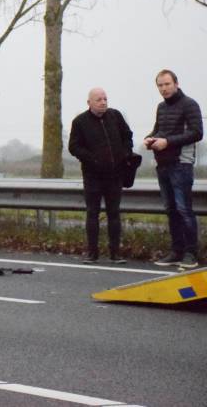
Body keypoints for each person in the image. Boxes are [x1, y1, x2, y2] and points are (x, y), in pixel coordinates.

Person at [144, 70, 203, 269]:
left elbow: (197, 133)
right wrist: (150, 138)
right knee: (170, 210)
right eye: (160, 85)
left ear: (176, 83)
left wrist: (167, 142)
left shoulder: (190, 104)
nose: (164, 88)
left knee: (184, 209)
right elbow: (158, 130)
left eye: (167, 84)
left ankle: (191, 254)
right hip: (163, 163)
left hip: (181, 164)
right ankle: (176, 252)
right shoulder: (161, 107)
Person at [68, 88, 133, 264]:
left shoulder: (115, 116)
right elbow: (73, 147)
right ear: (89, 102)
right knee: (92, 213)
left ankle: (115, 253)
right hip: (93, 176)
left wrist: (126, 153)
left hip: (115, 174)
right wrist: (92, 159)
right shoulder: (80, 122)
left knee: (114, 213)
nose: (103, 102)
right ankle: (92, 253)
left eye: (105, 99)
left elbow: (128, 136)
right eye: (99, 99)